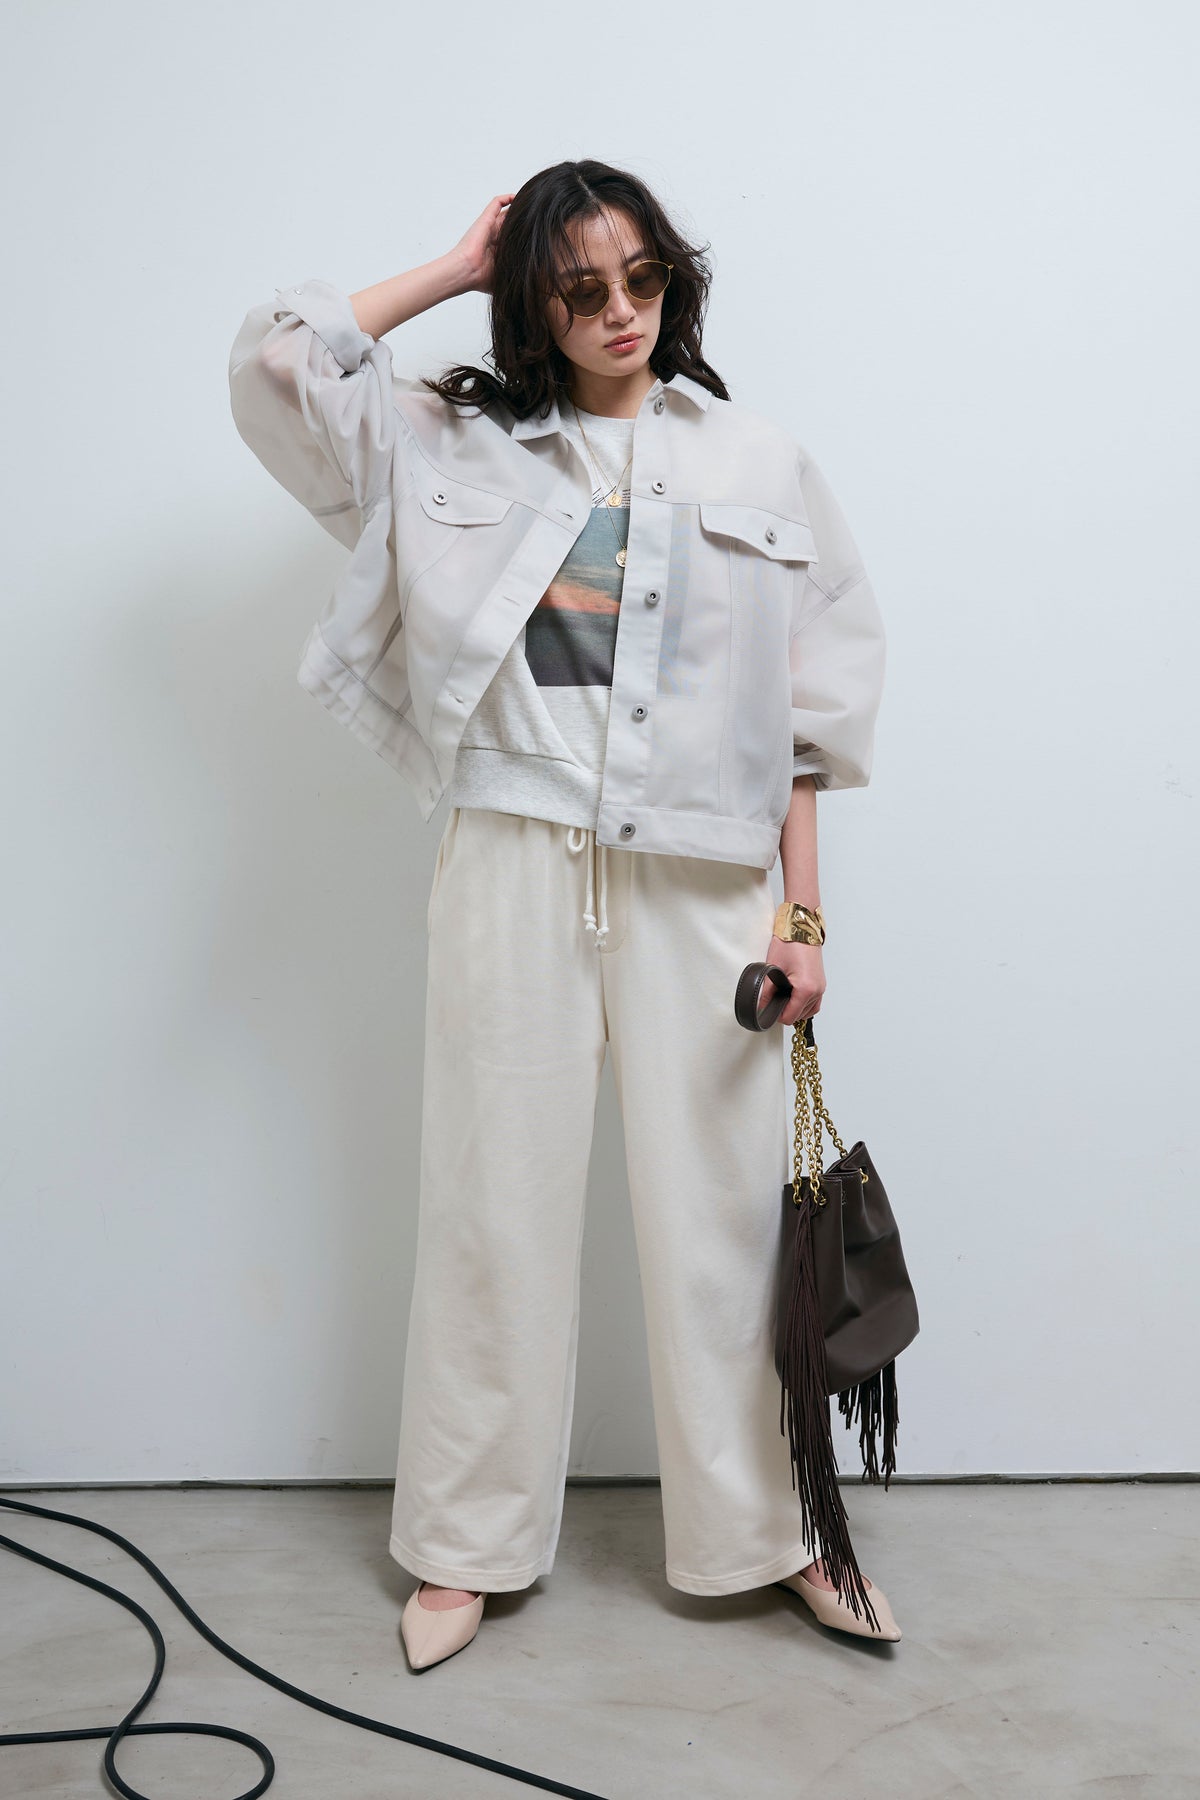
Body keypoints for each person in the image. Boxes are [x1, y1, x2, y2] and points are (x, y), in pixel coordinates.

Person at [228, 159, 897, 1671]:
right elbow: (279, 366)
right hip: (514, 858)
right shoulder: (448, 441)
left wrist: (802, 921)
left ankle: (778, 1533)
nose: (619, 313)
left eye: (642, 280)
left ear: (675, 283)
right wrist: (456, 263)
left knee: (728, 1222)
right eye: (579, 288)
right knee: (491, 1207)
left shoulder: (758, 461)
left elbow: (806, 719)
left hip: (704, 883)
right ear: (533, 300)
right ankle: (465, 1542)